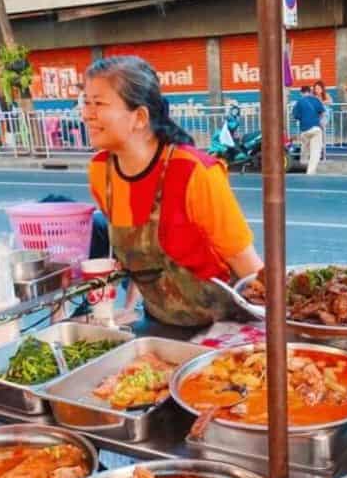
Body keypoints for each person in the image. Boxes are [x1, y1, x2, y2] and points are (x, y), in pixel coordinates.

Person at [84, 55, 263, 327]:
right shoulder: (101, 172)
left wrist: (279, 327)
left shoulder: (194, 171)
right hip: (161, 325)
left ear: (139, 117)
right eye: (85, 102)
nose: (87, 114)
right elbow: (139, 257)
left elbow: (245, 263)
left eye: (98, 103)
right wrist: (127, 308)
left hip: (225, 327)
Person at [292, 85, 325, 175]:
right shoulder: (316, 100)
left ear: (301, 93)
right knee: (315, 152)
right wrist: (318, 120)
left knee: (304, 148)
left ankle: (303, 163)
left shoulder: (299, 102)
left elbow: (295, 116)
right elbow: (322, 112)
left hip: (305, 130)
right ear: (310, 92)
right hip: (316, 128)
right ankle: (310, 171)